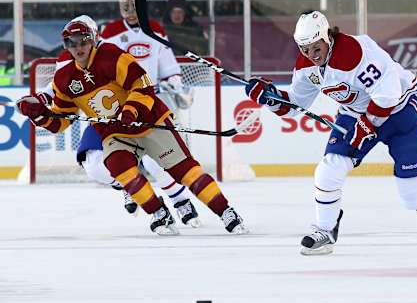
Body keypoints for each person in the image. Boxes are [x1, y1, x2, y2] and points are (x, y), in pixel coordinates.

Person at [16, 16, 248, 236]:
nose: (78, 47)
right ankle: (159, 213)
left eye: (83, 41)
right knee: (118, 166)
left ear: (94, 39)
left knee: (185, 171)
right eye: (71, 42)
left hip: (150, 121)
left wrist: (131, 110)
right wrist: (39, 116)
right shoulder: (64, 77)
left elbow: (143, 84)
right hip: (115, 132)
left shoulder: (112, 56)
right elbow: (62, 121)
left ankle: (225, 211)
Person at [245, 11, 417, 255]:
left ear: (326, 37)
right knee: (328, 169)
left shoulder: (355, 52)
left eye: (315, 47)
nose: (311, 55)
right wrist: (270, 99)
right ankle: (325, 228)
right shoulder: (305, 67)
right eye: (304, 49)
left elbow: (387, 93)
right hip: (355, 114)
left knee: (413, 200)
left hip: (400, 110)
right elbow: (296, 104)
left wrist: (368, 125)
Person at [76, 0, 198, 226]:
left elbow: (169, 67)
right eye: (126, 6)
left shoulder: (154, 29)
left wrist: (174, 84)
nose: (130, 10)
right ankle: (128, 185)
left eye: (134, 6)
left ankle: (181, 201)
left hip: (145, 104)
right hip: (111, 109)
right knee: (94, 164)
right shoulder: (108, 33)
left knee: (156, 159)